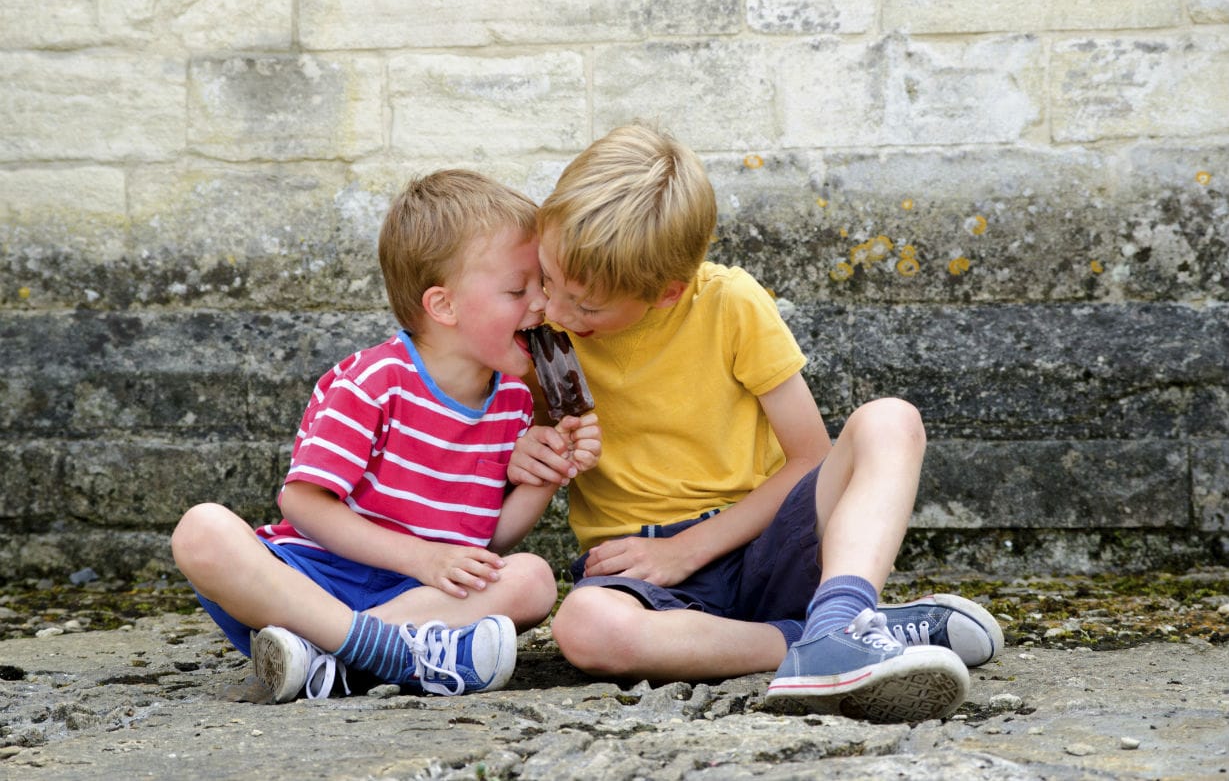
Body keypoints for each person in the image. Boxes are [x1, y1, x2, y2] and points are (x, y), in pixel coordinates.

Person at [508, 124, 1003, 724]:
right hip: (645, 575)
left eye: (585, 305)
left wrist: (689, 549)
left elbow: (809, 458)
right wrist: (531, 448)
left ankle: (841, 609)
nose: (553, 310)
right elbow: (514, 450)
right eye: (547, 279)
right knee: (585, 628)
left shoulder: (730, 304)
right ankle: (827, 637)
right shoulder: (537, 337)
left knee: (891, 421)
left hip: (762, 538)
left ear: (666, 293)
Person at [173, 170, 600, 703]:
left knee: (533, 579)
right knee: (200, 530)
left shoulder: (512, 401)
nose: (541, 304)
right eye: (518, 289)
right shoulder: (373, 384)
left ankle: (330, 662)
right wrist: (422, 558)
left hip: (417, 598)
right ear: (442, 306)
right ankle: (387, 653)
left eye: (542, 283)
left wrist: (547, 473)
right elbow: (304, 505)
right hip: (311, 582)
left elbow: (482, 546)